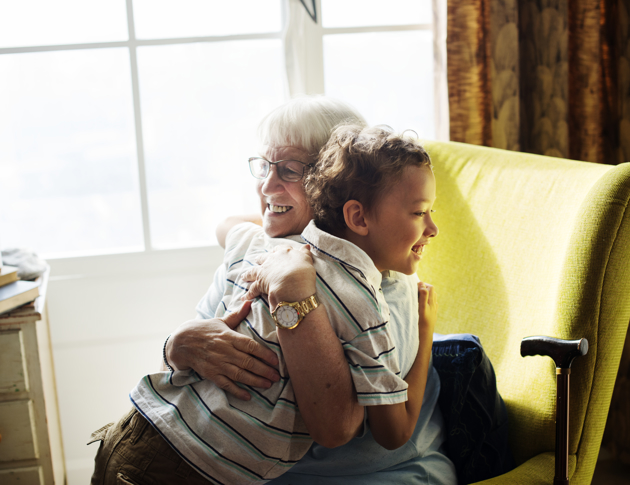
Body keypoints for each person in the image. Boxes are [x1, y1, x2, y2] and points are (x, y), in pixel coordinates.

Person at [90, 96, 457, 485]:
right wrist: (176, 345)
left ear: (333, 181)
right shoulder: (259, 247)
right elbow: (189, 370)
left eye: (290, 170)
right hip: (164, 440)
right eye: (264, 165)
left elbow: (343, 430)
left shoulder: (381, 291)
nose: (266, 184)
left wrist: (292, 294)